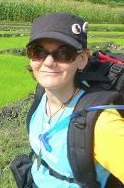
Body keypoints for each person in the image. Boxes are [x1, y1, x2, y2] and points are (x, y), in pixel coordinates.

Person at [14, 12, 124, 187]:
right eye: (38, 52)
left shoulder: (101, 124)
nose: (48, 62)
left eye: (63, 53)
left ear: (81, 60)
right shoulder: (42, 94)